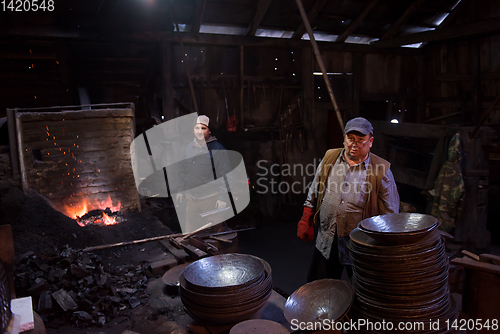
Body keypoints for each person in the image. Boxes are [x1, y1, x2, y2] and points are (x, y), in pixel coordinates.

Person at [297, 117, 400, 282]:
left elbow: (390, 212)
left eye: (360, 140)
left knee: (362, 292)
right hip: (327, 238)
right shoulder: (329, 158)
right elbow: (315, 189)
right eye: (350, 139)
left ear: (370, 141)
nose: (354, 144)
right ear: (344, 139)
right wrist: (306, 217)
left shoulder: (381, 169)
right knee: (320, 289)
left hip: (361, 245)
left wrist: (386, 245)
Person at [175, 115, 230, 232]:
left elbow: (226, 175)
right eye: (197, 128)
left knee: (216, 233)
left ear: (209, 131)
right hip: (193, 199)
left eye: (203, 128)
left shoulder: (218, 150)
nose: (199, 131)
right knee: (191, 232)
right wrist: (180, 189)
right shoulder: (188, 149)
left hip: (212, 200)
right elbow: (182, 171)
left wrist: (222, 197)